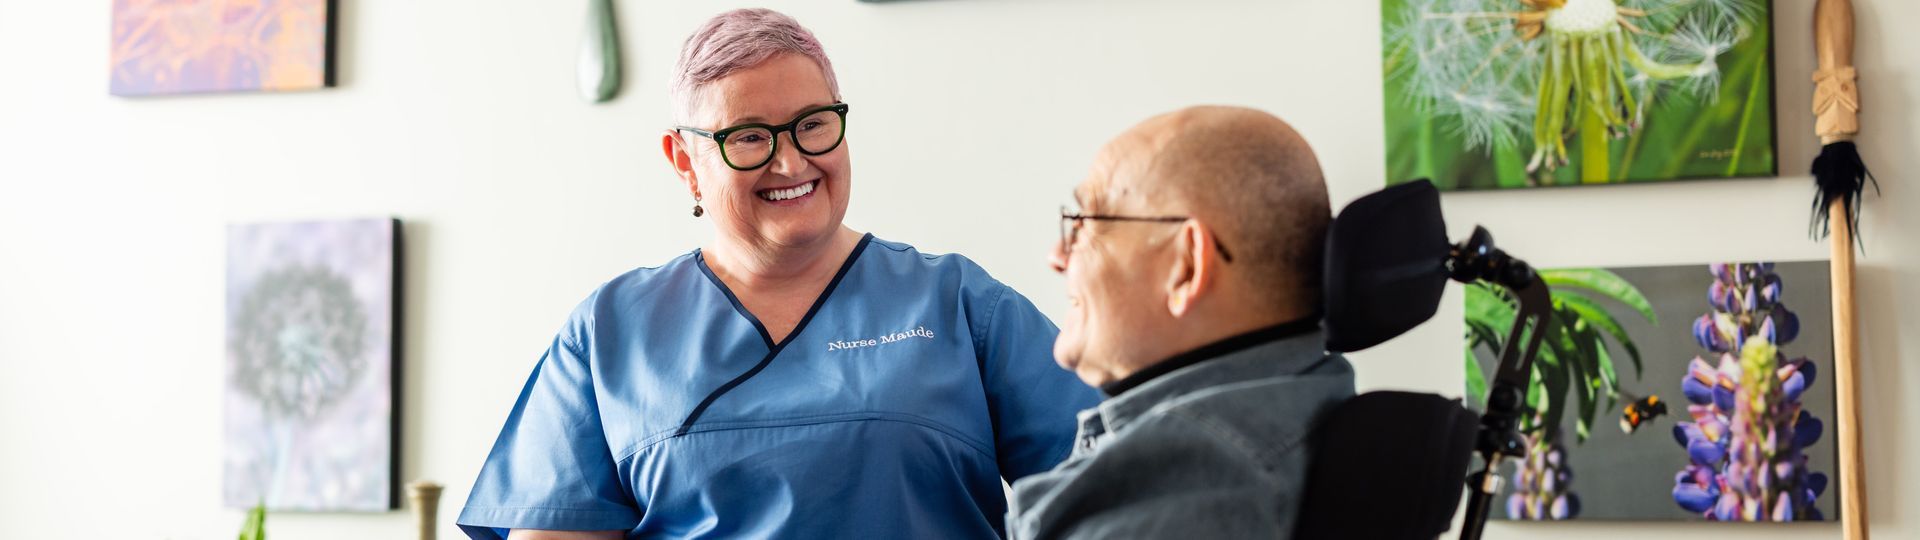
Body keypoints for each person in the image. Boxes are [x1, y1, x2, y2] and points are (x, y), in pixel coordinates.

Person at [456, 9, 1097, 539]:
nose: (791, 162)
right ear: (685, 160)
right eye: (750, 138)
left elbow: (1113, 487)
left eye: (813, 125)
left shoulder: (958, 304)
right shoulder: (609, 332)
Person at [1006, 106, 1355, 539]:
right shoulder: (1315, 399)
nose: (1057, 256)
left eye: (1087, 222)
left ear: (1186, 266)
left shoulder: (1184, 483)